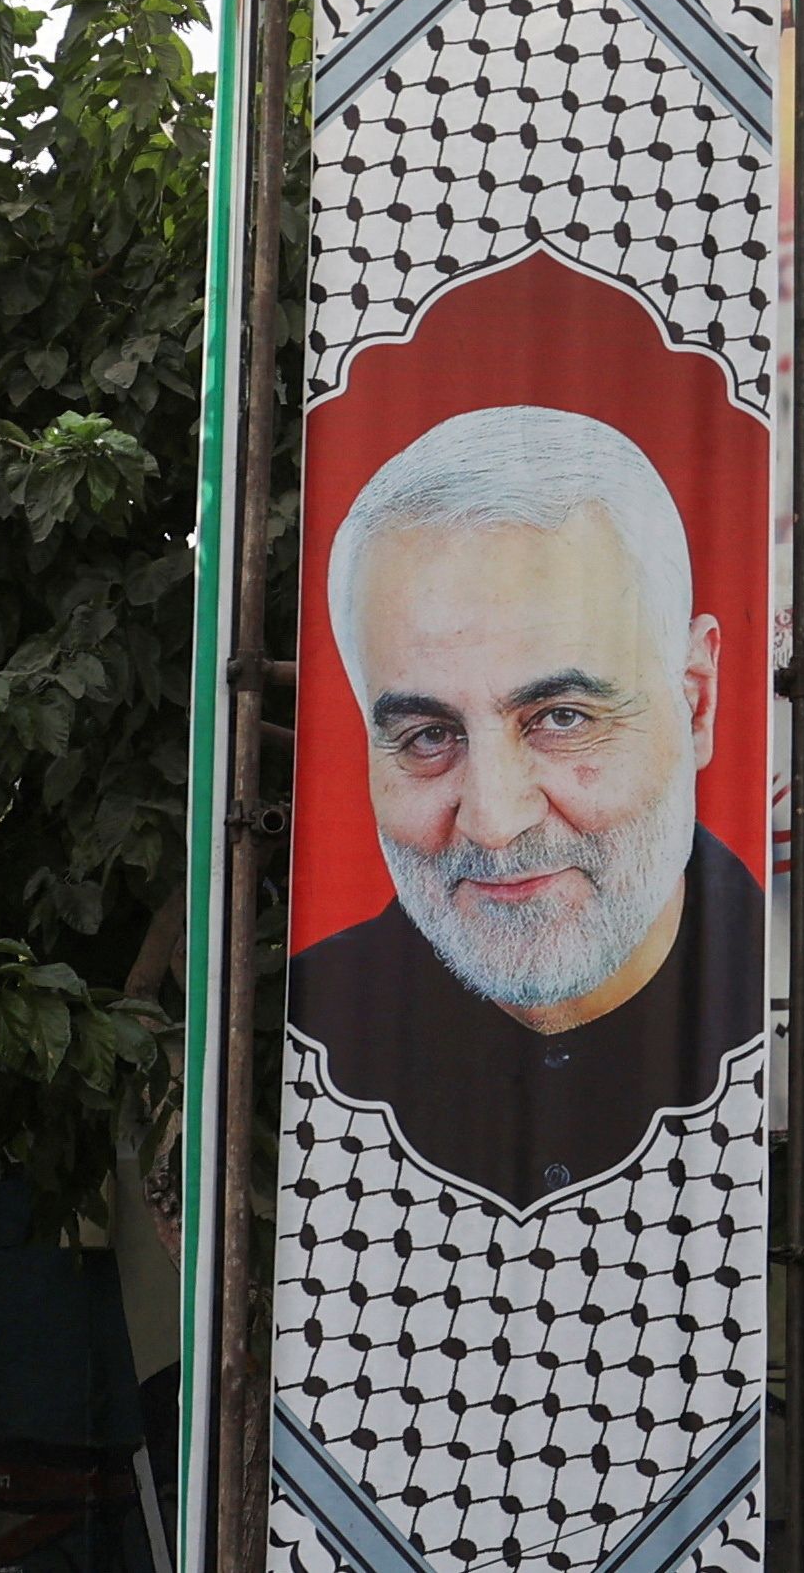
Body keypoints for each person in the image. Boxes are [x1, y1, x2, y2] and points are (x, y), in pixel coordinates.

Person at [290, 404, 761, 1209]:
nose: (494, 820)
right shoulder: (310, 1050)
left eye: (562, 719)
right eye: (430, 734)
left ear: (698, 702)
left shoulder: (802, 1012)